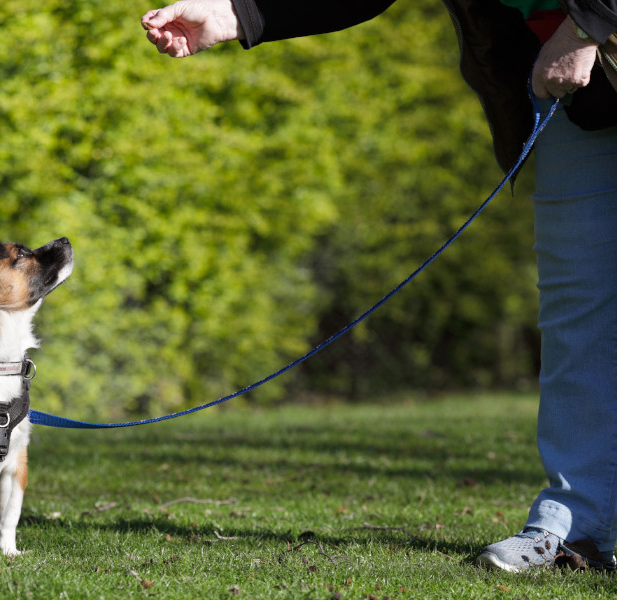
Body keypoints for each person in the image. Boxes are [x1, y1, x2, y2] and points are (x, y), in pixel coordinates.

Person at [141, 0, 617, 573]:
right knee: (575, 307)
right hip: (576, 93)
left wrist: (589, 21)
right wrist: (239, 14)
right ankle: (574, 524)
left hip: (584, 42)